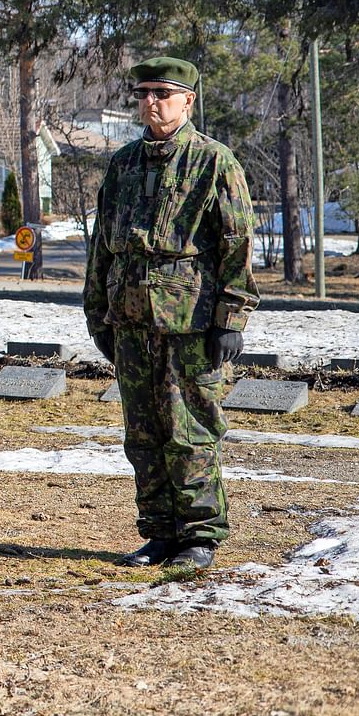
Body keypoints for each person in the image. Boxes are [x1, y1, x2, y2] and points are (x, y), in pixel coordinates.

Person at [82, 56, 257, 570]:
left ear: (188, 100)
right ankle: (159, 532)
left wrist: (232, 318)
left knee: (191, 430)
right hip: (132, 322)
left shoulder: (214, 162)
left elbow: (236, 245)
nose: (150, 103)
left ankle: (199, 535)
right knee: (143, 433)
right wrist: (99, 315)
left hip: (190, 324)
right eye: (142, 94)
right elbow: (102, 248)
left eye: (161, 93)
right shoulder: (124, 164)